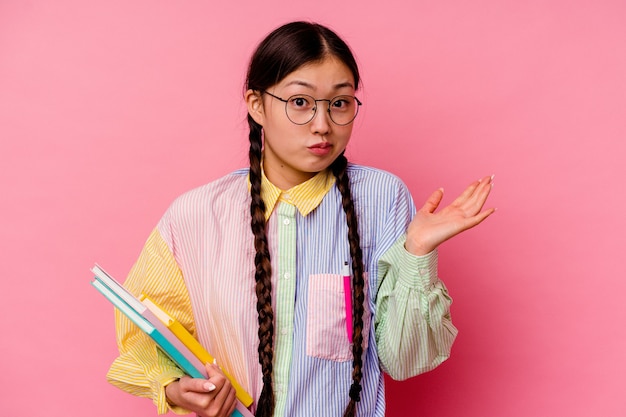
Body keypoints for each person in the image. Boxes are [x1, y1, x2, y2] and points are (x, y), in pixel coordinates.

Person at [107, 21, 495, 417]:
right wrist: (173, 388)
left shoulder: (383, 199)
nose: (322, 125)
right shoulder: (194, 215)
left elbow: (405, 360)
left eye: (339, 103)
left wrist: (417, 253)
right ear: (256, 105)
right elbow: (144, 332)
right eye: (300, 102)